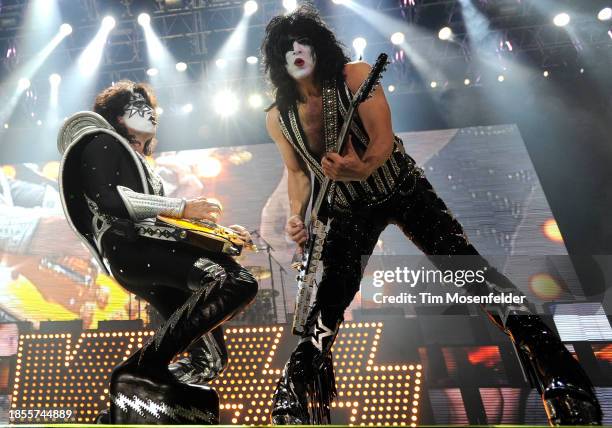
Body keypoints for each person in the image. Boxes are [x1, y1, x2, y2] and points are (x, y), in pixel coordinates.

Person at [261, 6, 601, 426]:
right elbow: (296, 173)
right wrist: (299, 216)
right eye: (287, 48)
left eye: (304, 43)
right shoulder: (278, 116)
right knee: (326, 308)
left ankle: (563, 380)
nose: (296, 52)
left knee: (474, 275)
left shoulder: (355, 76)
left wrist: (363, 166)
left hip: (402, 190)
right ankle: (293, 400)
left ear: (319, 47)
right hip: (349, 211)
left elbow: (383, 139)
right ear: (277, 59)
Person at [57, 80, 258, 424]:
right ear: (117, 118)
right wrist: (182, 206)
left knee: (209, 361)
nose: (149, 112)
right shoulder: (99, 142)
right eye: (137, 106)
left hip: (151, 252)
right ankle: (140, 368)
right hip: (131, 251)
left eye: (150, 106)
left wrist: (222, 235)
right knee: (235, 280)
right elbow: (112, 200)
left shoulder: (141, 163)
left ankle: (128, 406)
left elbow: (164, 222)